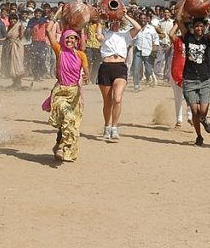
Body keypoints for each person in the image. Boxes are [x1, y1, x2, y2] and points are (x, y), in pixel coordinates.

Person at [44, 9, 90, 162]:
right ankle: (61, 147)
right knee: (67, 118)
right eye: (67, 38)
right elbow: (48, 30)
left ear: (77, 41)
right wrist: (57, 13)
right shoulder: (59, 51)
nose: (70, 40)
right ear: (63, 39)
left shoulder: (81, 55)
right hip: (61, 92)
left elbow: (87, 72)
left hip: (74, 93)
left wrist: (86, 77)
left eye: (73, 38)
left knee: (71, 123)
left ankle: (61, 147)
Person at [177, 7, 210, 147]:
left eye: (201, 26)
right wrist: (184, 5)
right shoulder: (188, 37)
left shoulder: (207, 39)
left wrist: (208, 20)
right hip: (189, 78)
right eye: (196, 26)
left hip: (205, 78)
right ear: (193, 27)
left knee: (202, 110)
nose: (199, 28)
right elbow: (178, 21)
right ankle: (199, 136)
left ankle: (204, 119)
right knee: (194, 111)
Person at [97, 10, 141, 141]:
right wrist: (100, 20)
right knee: (108, 102)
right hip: (106, 67)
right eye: (112, 21)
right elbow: (99, 37)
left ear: (120, 23)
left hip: (120, 67)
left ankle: (115, 127)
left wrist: (125, 15)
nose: (114, 24)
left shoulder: (125, 35)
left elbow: (138, 27)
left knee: (117, 98)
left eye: (117, 21)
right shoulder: (105, 33)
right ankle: (107, 126)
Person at [4, 12, 27, 89]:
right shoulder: (9, 27)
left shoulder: (19, 26)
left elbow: (21, 37)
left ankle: (18, 82)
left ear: (16, 20)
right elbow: (7, 37)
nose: (12, 21)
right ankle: (15, 82)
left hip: (17, 47)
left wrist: (21, 31)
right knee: (12, 64)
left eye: (14, 19)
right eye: (11, 19)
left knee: (17, 64)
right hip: (10, 47)